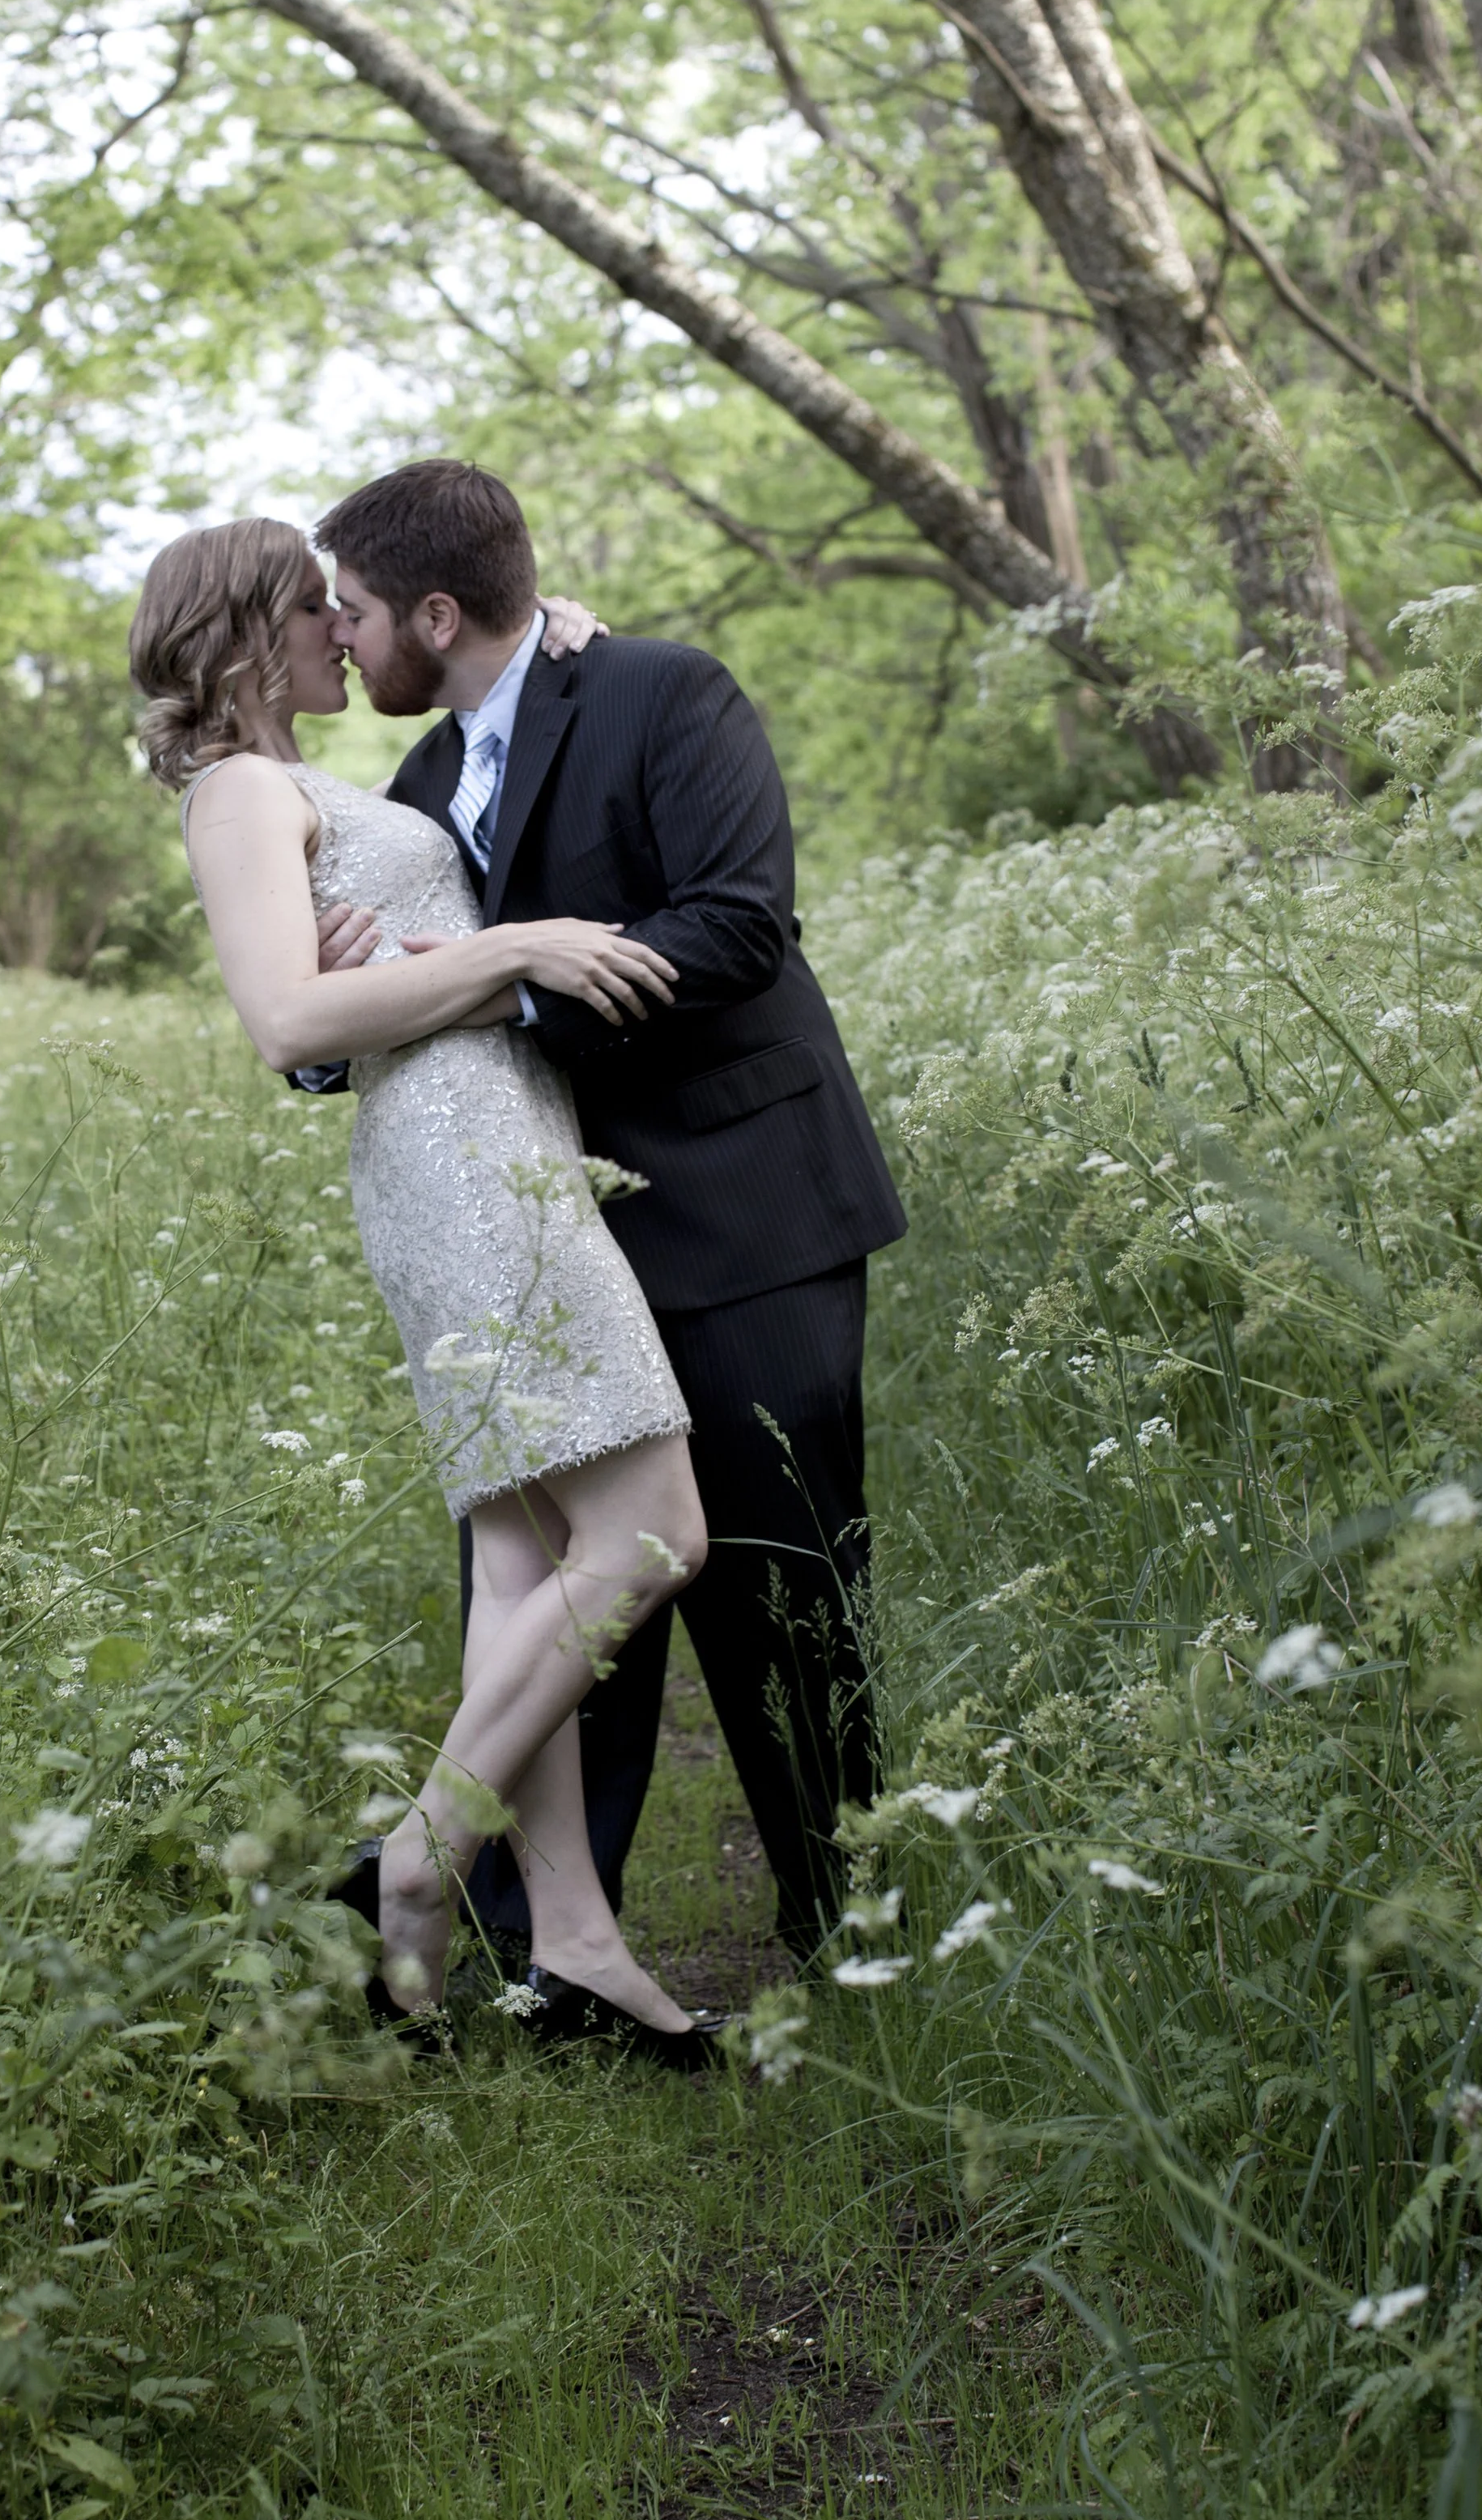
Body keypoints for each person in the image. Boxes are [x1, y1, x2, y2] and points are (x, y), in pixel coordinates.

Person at [130, 517, 725, 2067]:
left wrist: (552, 629)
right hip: (461, 1166)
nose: (350, 631)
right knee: (657, 1527)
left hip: (492, 1135)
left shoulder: (320, 784)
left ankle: (578, 1946)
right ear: (257, 629)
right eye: (321, 610)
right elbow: (287, 1019)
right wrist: (520, 940)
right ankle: (422, 1850)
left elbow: (378, 960)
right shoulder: (242, 789)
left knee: (526, 1566)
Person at [304, 461, 908, 1964]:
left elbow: (738, 919)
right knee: (569, 1597)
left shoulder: (662, 691)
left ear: (437, 613)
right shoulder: (421, 788)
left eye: (359, 610)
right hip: (548, 1236)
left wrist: (519, 976)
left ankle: (858, 1927)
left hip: (744, 1201)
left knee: (786, 1581)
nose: (342, 635)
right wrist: (361, 992)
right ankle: (545, 1952)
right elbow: (362, 1002)